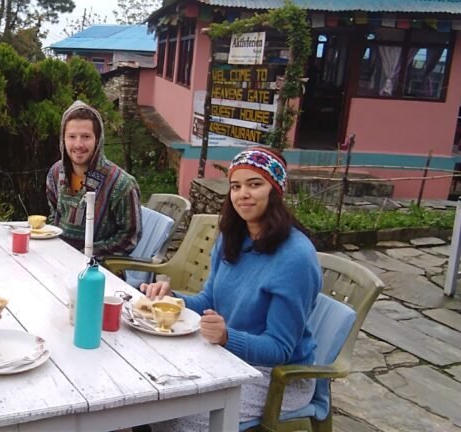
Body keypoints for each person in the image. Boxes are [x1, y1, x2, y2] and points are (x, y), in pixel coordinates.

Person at [141, 146, 322, 430]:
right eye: (236, 186)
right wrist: (172, 300)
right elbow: (209, 299)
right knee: (148, 390)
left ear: (275, 191)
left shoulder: (296, 257)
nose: (242, 194)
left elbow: (280, 348)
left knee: (181, 415)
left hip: (277, 377)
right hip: (226, 358)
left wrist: (227, 337)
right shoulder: (231, 237)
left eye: (255, 184)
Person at [46, 100, 142, 258]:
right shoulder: (56, 173)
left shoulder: (121, 184)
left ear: (98, 140)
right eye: (72, 136)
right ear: (63, 140)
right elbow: (54, 216)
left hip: (100, 271)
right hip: (58, 260)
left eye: (86, 136)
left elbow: (129, 238)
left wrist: (86, 253)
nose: (78, 144)